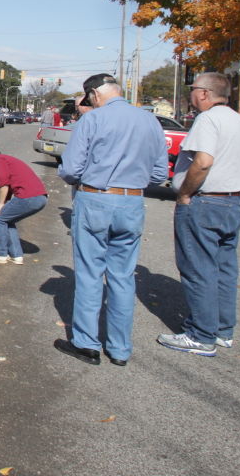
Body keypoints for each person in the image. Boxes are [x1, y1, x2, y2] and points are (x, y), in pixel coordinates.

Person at [56, 73, 168, 366]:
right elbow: (159, 174)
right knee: (122, 276)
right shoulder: (149, 121)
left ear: (93, 95)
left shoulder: (92, 120)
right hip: (132, 200)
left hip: (96, 198)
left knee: (90, 273)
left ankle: (86, 343)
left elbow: (70, 169)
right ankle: (119, 349)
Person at [157, 72, 240, 357]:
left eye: (192, 90)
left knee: (198, 268)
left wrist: (186, 193)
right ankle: (222, 331)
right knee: (224, 268)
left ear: (203, 93)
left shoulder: (208, 119)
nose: (191, 94)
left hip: (206, 203)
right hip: (235, 202)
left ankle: (201, 335)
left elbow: (203, 162)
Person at [0, 144, 47, 265]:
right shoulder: (5, 160)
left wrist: (0, 208)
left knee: (0, 217)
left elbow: (4, 184)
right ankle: (16, 255)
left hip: (29, 197)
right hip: (39, 198)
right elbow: (8, 190)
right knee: (6, 219)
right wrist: (0, 209)